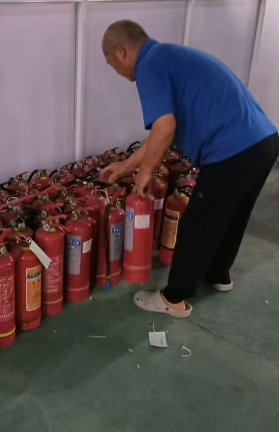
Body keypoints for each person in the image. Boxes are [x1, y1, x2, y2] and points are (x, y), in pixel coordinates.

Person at [99, 20, 278, 318]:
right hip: (263, 142)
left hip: (232, 149)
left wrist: (144, 174)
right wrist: (124, 167)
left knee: (199, 222)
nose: (116, 71)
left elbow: (164, 127)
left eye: (111, 63)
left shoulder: (149, 65)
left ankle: (173, 298)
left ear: (121, 50)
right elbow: (159, 135)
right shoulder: (169, 56)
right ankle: (218, 274)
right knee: (232, 215)